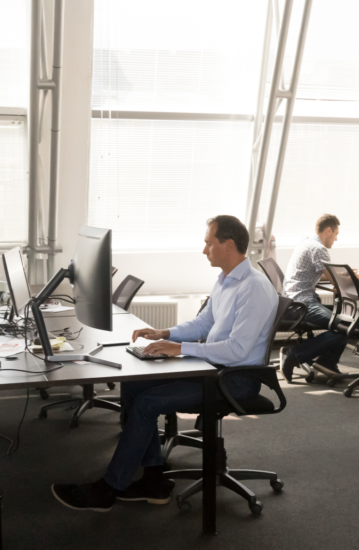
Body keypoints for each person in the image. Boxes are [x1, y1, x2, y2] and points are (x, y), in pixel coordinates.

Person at [52, 215, 278, 512]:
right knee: (134, 387)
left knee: (147, 403)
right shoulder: (225, 280)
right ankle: (153, 479)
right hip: (213, 367)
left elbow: (237, 350)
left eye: (209, 243)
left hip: (236, 379)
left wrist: (179, 348)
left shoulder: (254, 288)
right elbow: (204, 323)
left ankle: (108, 489)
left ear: (228, 245)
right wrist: (166, 333)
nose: (204, 250)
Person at [280, 214, 349, 381]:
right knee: (345, 326)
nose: (336, 239)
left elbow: (319, 273)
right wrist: (350, 279)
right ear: (328, 230)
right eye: (336, 234)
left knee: (344, 321)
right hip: (301, 304)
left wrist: (343, 275)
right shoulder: (319, 249)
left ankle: (327, 363)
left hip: (291, 300)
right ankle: (294, 354)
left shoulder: (306, 241)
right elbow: (335, 281)